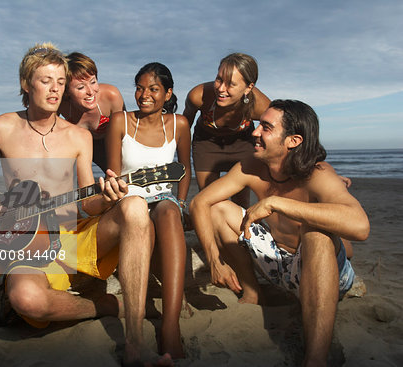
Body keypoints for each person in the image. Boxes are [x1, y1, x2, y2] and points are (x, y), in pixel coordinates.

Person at [0, 43, 171, 366]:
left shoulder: (77, 137)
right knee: (25, 299)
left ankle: (135, 346)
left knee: (135, 206)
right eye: (46, 81)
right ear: (26, 84)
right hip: (27, 244)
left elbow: (87, 202)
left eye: (60, 81)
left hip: (72, 237)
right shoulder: (1, 127)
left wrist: (108, 195)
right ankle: (109, 306)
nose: (55, 89)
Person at [189, 99, 369, 367]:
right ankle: (252, 291)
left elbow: (361, 226)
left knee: (316, 233)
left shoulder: (318, 174)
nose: (255, 132)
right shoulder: (252, 166)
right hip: (276, 266)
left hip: (317, 270)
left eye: (266, 128)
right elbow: (199, 202)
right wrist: (215, 260)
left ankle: (315, 360)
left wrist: (277, 203)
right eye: (259, 125)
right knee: (219, 209)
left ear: (293, 141)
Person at [107, 62, 192, 359]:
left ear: (168, 94)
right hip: (128, 202)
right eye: (140, 88)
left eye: (153, 89)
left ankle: (170, 326)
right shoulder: (120, 121)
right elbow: (113, 176)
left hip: (164, 200)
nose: (144, 95)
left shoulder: (180, 124)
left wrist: (181, 203)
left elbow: (184, 170)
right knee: (140, 207)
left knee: (169, 212)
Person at [183, 53, 270, 207]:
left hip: (242, 143)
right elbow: (184, 126)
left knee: (241, 201)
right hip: (206, 142)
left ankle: (243, 231)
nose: (221, 89)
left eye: (231, 84)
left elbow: (278, 131)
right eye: (219, 79)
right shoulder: (199, 96)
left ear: (248, 87)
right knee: (209, 199)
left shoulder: (261, 107)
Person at [58, 52, 125, 173]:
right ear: (67, 91)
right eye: (80, 87)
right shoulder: (61, 104)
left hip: (112, 143)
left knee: (119, 173)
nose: (90, 92)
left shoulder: (111, 96)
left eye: (93, 82)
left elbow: (126, 136)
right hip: (86, 147)